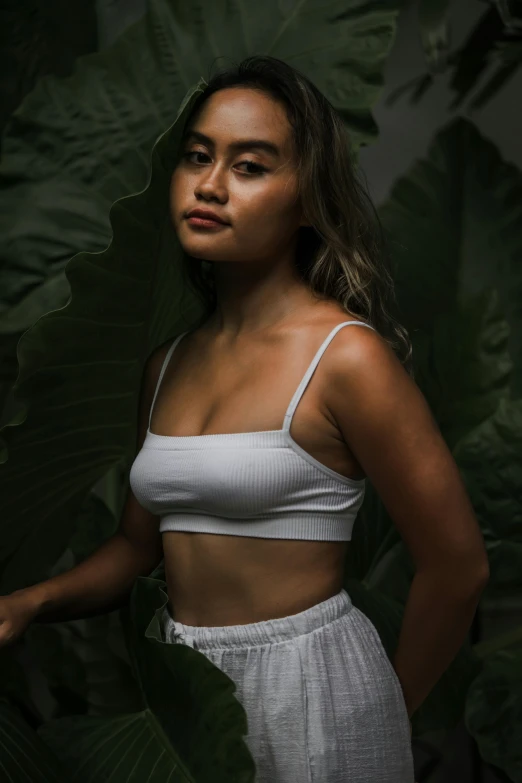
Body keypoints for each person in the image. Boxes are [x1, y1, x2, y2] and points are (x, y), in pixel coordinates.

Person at [0, 56, 489, 782]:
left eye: (250, 166)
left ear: (307, 201)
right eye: (198, 156)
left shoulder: (345, 358)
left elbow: (458, 567)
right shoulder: (166, 364)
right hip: (186, 692)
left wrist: (383, 708)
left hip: (316, 688)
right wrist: (30, 600)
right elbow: (139, 548)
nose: (210, 184)